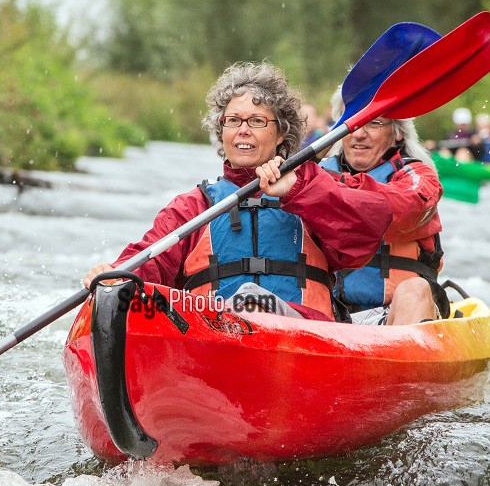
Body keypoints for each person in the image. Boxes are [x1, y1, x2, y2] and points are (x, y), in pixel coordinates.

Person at [83, 62, 392, 321]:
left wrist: (297, 190)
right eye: (233, 121)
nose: (243, 129)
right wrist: (116, 275)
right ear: (222, 131)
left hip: (306, 340)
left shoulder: (313, 186)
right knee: (115, 297)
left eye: (256, 121)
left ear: (281, 131)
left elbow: (366, 232)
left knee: (252, 299)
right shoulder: (195, 206)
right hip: (215, 337)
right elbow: (150, 263)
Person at [320, 87, 447, 325]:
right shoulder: (316, 173)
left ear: (398, 133)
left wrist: (330, 187)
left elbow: (401, 207)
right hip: (331, 318)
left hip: (397, 315)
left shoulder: (419, 176)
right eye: (352, 123)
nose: (358, 134)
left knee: (415, 289)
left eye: (374, 124)